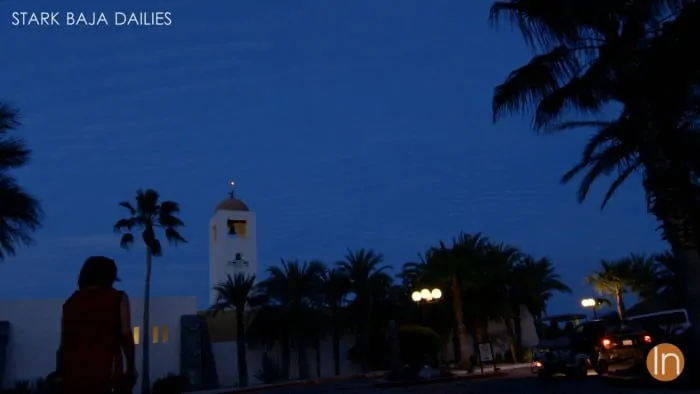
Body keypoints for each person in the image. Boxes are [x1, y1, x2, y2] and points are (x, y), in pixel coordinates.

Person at [59, 256, 138, 394]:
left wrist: (61, 373)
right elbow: (125, 335)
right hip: (106, 371)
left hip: (74, 373)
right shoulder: (117, 298)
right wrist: (131, 367)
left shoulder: (71, 302)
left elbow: (64, 342)